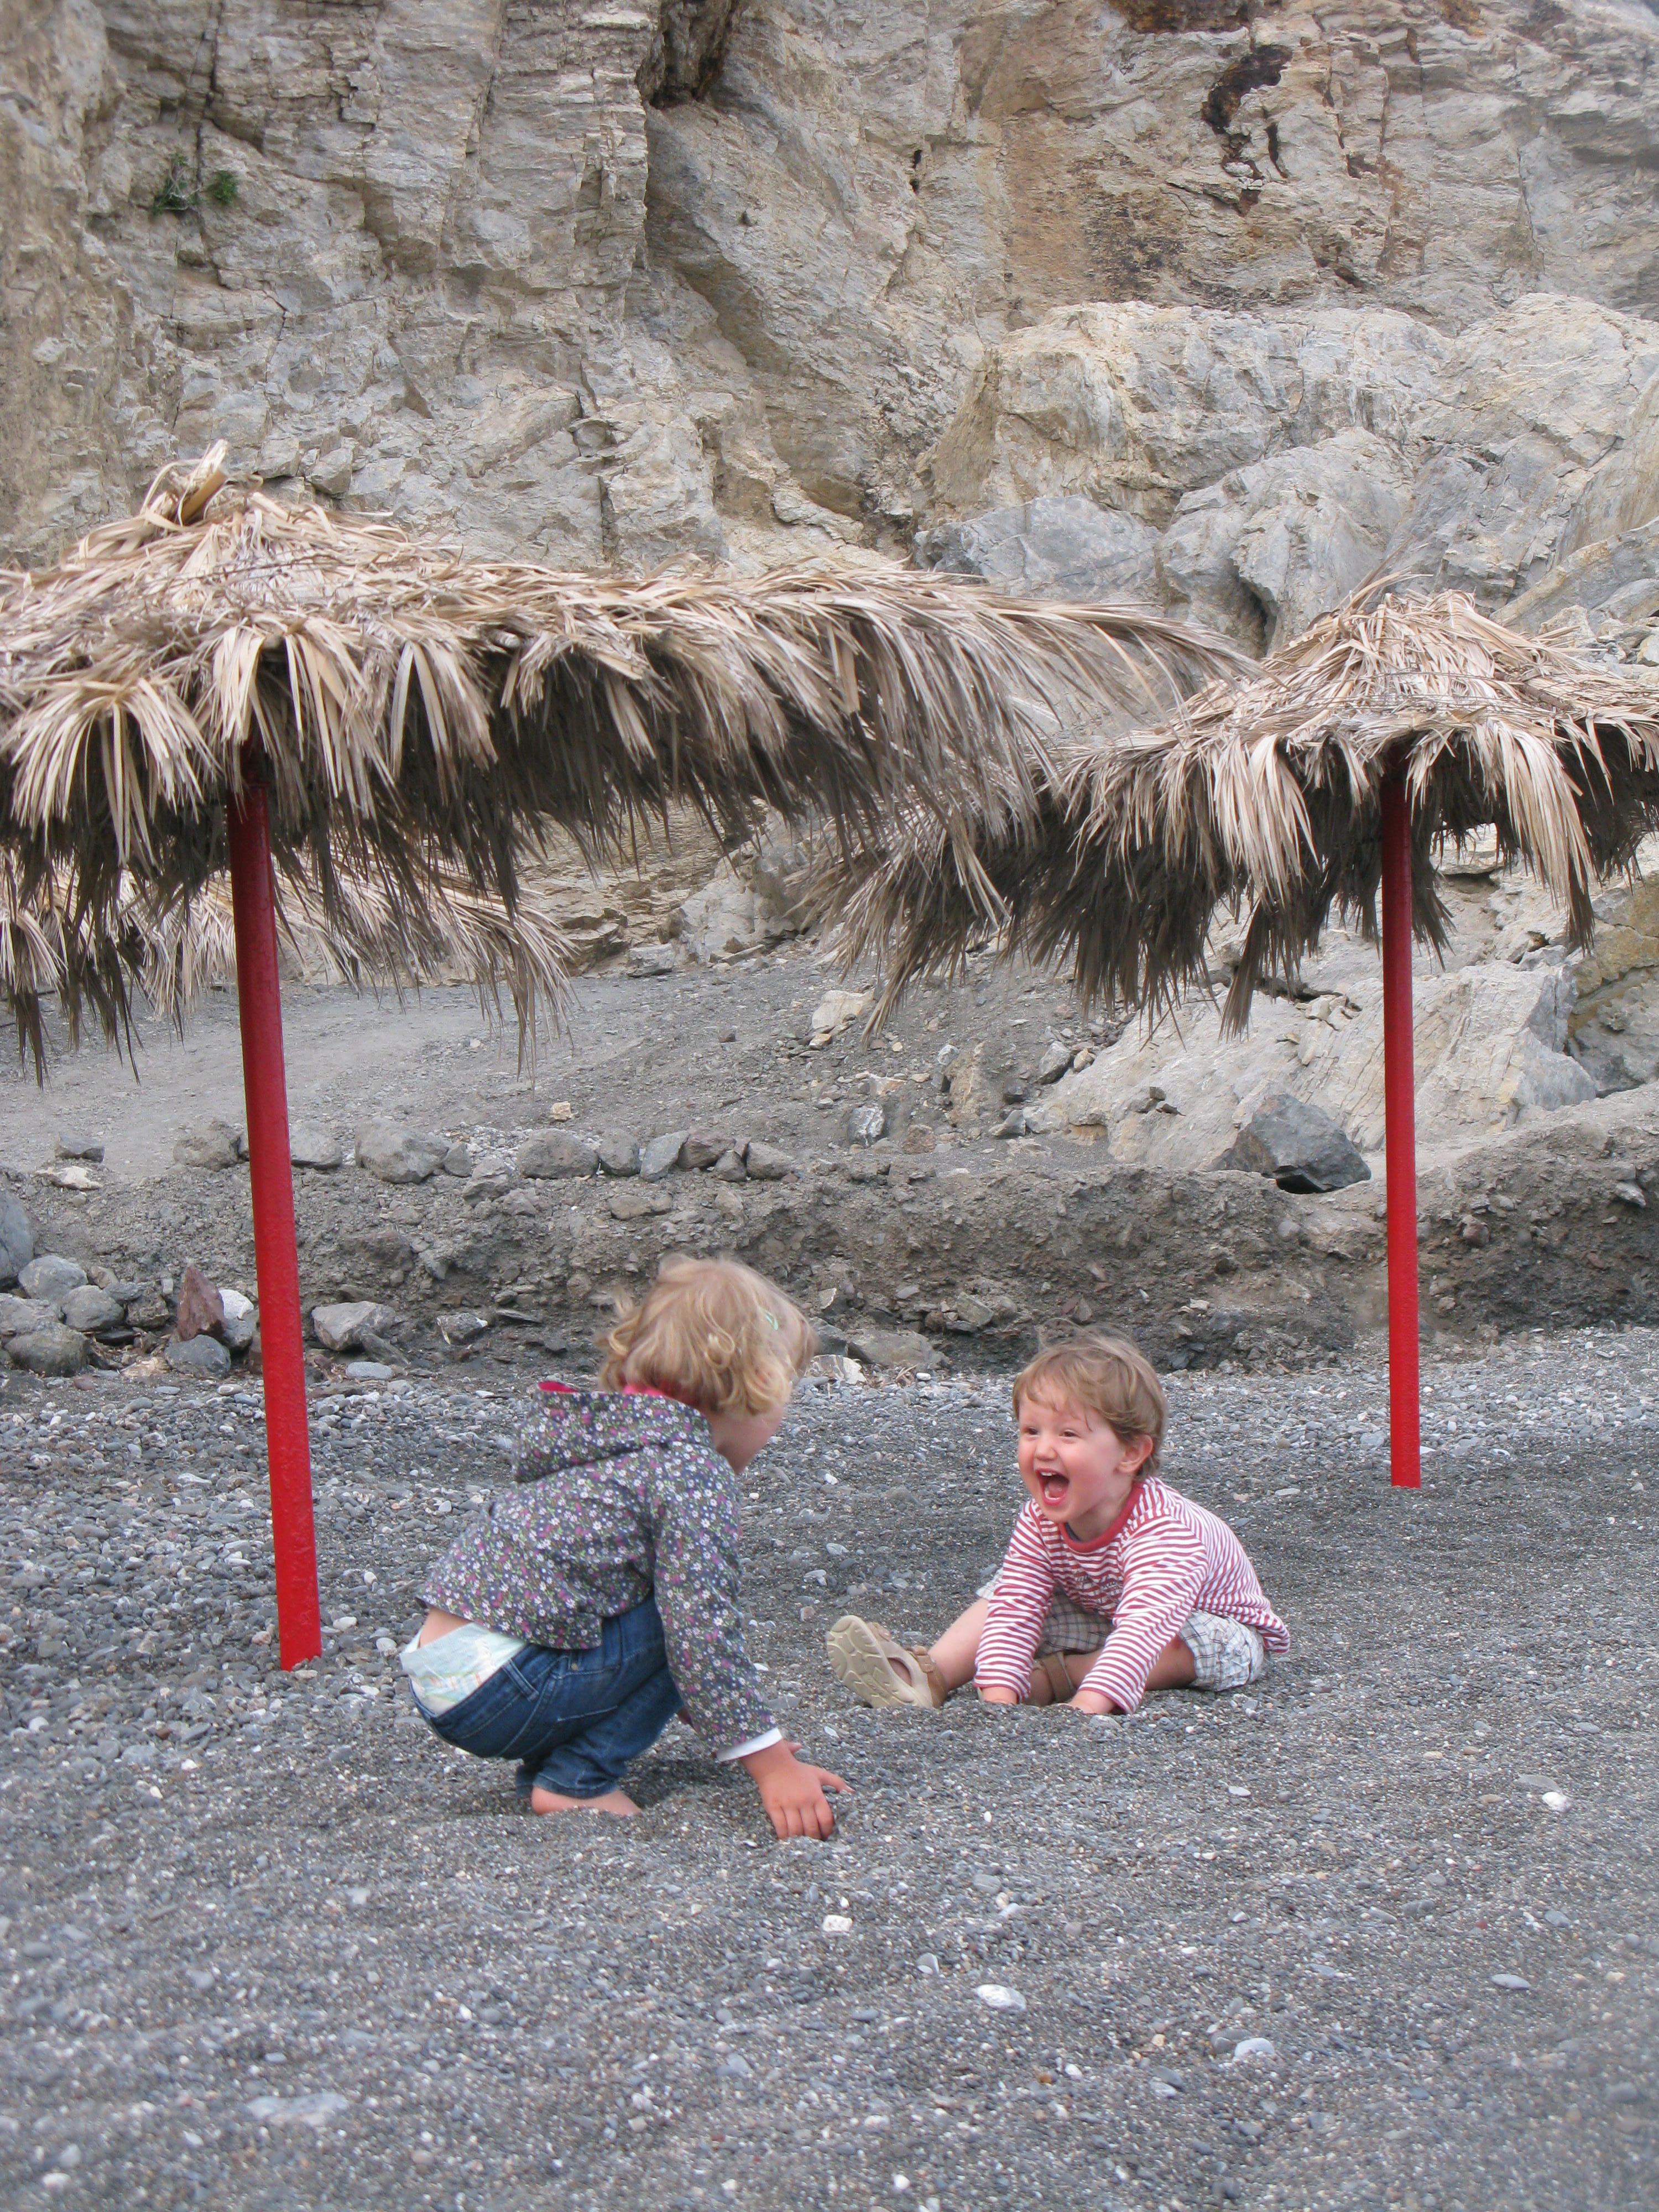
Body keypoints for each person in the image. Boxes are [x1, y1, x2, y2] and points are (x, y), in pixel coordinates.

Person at [403, 1255, 847, 1838]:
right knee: (687, 1616)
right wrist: (772, 1766)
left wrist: (739, 1730)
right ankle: (576, 1780)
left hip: (447, 1676)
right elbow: (699, 1634)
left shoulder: (610, 1433)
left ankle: (557, 1766)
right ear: (759, 1385)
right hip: (502, 1687)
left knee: (663, 1609)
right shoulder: (689, 1470)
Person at [827, 1334, 1287, 1715]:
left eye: (1068, 1434)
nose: (1044, 1449)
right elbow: (1017, 1606)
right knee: (1007, 1592)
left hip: (1212, 1631)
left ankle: (1061, 1678)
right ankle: (932, 1674)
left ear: (1131, 1454)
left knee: (1184, 1640)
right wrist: (998, 1701)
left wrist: (1089, 1705)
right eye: (1032, 1431)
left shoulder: (1164, 1531)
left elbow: (1143, 1629)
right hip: (1104, 1614)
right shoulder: (1039, 1518)